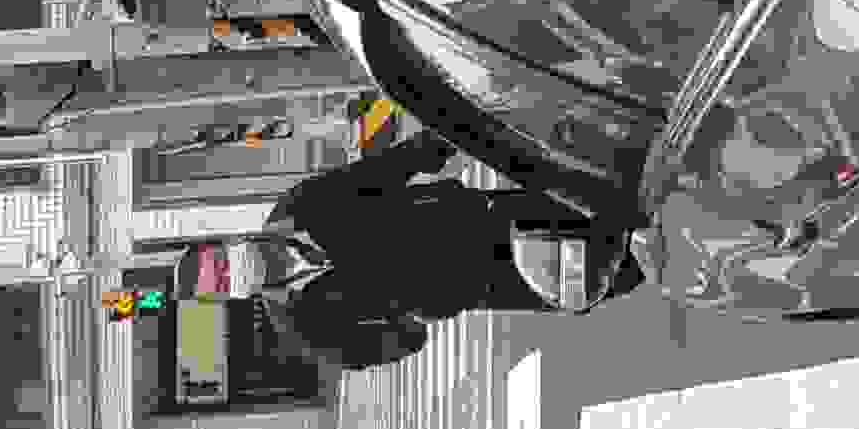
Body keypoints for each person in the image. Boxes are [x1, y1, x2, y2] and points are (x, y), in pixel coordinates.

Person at [264, 119, 624, 333]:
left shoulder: (307, 206)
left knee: (598, 211)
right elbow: (383, 345)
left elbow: (386, 168)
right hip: (479, 276)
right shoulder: (304, 313)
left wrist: (455, 134)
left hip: (483, 222)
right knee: (598, 280)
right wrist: (416, 313)